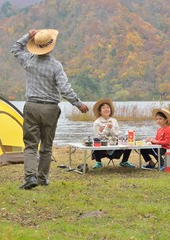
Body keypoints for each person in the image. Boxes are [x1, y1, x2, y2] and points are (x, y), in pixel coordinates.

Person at [11, 29, 89, 190]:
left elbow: (15, 48)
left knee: (31, 145)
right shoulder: (56, 66)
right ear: (51, 46)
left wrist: (28, 36)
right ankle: (42, 178)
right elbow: (65, 89)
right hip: (50, 109)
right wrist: (78, 104)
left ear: (35, 46)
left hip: (31, 106)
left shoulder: (29, 60)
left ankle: (30, 176)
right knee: (46, 145)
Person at [91, 98, 136, 169]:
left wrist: (111, 128)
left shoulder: (114, 121)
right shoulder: (97, 122)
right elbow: (98, 137)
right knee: (96, 140)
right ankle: (98, 162)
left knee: (128, 140)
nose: (106, 109)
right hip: (103, 146)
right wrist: (106, 129)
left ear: (110, 110)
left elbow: (117, 135)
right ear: (100, 111)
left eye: (108, 107)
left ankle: (124, 161)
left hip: (114, 143)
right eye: (103, 108)